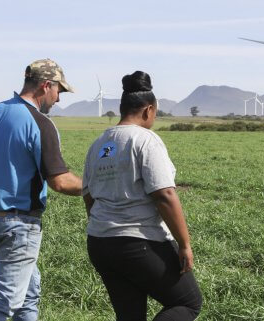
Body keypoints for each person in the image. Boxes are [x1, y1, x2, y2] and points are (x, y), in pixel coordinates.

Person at [83, 71, 202, 320]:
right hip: (139, 242)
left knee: (129, 316)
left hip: (100, 243)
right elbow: (165, 195)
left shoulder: (98, 144)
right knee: (187, 303)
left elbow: (88, 197)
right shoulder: (146, 140)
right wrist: (184, 244)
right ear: (149, 110)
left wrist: (105, 228)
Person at [0, 58, 83, 321]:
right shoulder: (40, 123)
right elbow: (60, 181)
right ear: (46, 85)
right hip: (19, 224)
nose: (58, 99)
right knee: (3, 302)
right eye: (59, 91)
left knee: (29, 294)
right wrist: (98, 185)